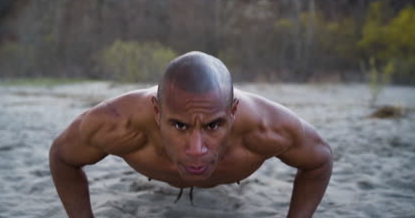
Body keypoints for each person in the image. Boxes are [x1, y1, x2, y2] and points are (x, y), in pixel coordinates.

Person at [49, 51, 333, 218]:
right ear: (157, 113)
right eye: (180, 126)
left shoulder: (266, 128)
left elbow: (319, 161)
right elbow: (62, 157)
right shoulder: (119, 124)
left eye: (213, 126)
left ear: (233, 113)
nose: (196, 148)